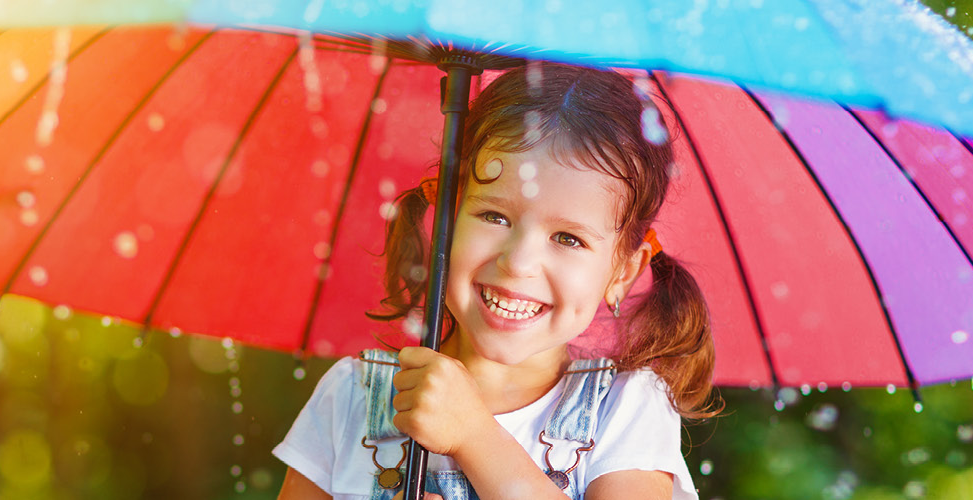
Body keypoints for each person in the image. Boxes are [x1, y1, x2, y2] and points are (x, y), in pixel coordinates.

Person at [273, 62, 719, 500]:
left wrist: (474, 436)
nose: (519, 262)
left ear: (622, 272)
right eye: (495, 216)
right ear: (444, 220)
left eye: (568, 238)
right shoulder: (352, 398)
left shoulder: (625, 410)